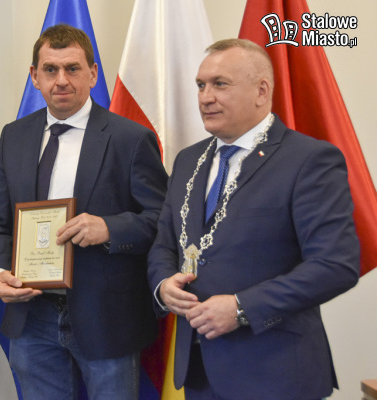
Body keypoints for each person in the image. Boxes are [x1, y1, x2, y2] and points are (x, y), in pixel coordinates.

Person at [147, 38, 360, 400]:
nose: (205, 97)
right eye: (201, 85)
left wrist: (241, 308)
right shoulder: (188, 160)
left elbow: (335, 265)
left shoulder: (309, 159)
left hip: (276, 374)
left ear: (261, 91)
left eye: (220, 84)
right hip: (199, 373)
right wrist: (163, 284)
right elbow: (164, 242)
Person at [0, 24, 167, 400]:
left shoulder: (131, 139)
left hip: (106, 316)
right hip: (32, 315)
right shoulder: (14, 136)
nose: (61, 80)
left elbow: (163, 220)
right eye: (50, 69)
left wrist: (110, 228)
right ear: (35, 77)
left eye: (73, 68)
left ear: (93, 74)